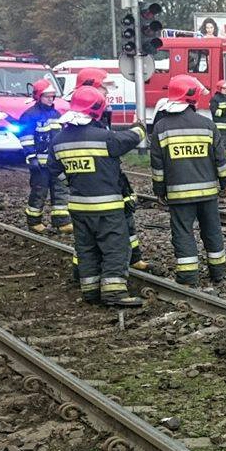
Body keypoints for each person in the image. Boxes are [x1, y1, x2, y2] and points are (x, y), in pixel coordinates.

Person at [46, 86, 146, 307]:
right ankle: (114, 293)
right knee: (115, 248)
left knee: (87, 249)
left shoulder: (59, 141)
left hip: (79, 207)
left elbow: (53, 170)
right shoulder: (105, 137)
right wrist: (140, 126)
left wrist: (75, 181)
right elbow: (130, 139)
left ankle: (90, 291)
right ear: (97, 110)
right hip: (107, 207)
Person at [151, 74, 226, 286]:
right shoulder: (207, 125)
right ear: (192, 98)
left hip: (178, 195)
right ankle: (218, 272)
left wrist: (159, 191)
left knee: (183, 233)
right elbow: (221, 160)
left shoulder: (161, 128)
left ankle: (188, 277)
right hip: (207, 194)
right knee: (212, 230)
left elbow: (157, 166)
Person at [73, 67, 156, 272]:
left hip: (110, 176)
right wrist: (137, 131)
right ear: (91, 87)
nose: (107, 93)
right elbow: (111, 143)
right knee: (95, 234)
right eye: (104, 88)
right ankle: (86, 270)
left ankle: (134, 257)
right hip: (95, 182)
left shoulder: (99, 113)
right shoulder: (80, 115)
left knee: (126, 214)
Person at [16, 80, 71, 233]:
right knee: (39, 192)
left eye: (52, 96)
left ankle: (61, 222)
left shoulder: (56, 114)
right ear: (39, 96)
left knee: (60, 191)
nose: (50, 99)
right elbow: (26, 138)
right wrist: (31, 157)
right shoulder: (29, 116)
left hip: (56, 163)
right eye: (47, 96)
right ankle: (34, 221)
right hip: (39, 165)